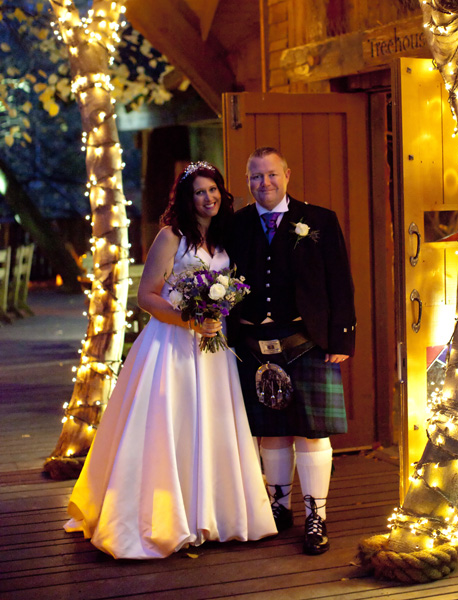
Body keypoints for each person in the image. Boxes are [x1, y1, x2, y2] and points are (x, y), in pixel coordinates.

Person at [64, 161, 276, 558]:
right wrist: (190, 319)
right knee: (169, 424)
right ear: (186, 198)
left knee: (211, 425)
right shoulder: (171, 237)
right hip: (172, 345)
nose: (208, 197)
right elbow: (147, 296)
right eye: (199, 192)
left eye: (213, 190)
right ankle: (161, 518)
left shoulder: (224, 238)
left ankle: (214, 515)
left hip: (213, 351)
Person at [226, 147, 356, 556]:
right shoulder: (237, 224)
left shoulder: (318, 220)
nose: (264, 183)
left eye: (271, 175)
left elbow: (340, 281)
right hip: (252, 345)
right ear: (247, 182)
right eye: (255, 177)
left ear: (287, 175)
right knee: (271, 432)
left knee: (312, 433)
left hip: (308, 342)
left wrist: (342, 339)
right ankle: (278, 510)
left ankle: (316, 517)